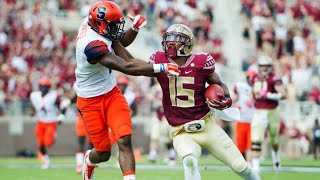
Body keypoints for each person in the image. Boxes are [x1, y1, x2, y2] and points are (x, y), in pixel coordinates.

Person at [74, 1, 180, 180]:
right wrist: (161, 68)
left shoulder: (96, 25)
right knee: (103, 153)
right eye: (113, 25)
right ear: (100, 24)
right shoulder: (90, 44)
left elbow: (123, 48)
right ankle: (89, 160)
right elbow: (127, 66)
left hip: (111, 93)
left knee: (124, 139)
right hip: (89, 100)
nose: (116, 28)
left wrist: (135, 29)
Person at [145, 24, 260, 180]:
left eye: (176, 39)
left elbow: (219, 84)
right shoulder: (159, 60)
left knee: (241, 166)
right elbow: (132, 67)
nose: (171, 43)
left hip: (207, 126)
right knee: (190, 160)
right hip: (180, 130)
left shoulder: (201, 62)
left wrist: (226, 98)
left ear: (187, 43)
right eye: (169, 39)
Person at [249, 55, 287, 172]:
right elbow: (253, 93)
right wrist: (251, 101)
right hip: (259, 111)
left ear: (271, 67)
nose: (264, 68)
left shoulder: (274, 79)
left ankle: (276, 158)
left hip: (272, 112)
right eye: (262, 66)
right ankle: (256, 167)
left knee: (274, 140)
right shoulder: (255, 77)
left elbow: (284, 95)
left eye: (267, 66)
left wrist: (269, 95)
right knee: (256, 139)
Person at [30, 77, 65, 169]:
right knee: (40, 143)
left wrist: (61, 116)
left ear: (49, 87)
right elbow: (33, 106)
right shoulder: (34, 95)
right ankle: (46, 161)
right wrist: (32, 112)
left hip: (51, 122)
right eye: (41, 86)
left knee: (48, 143)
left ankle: (53, 136)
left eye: (45, 86)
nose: (43, 88)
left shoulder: (54, 95)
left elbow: (61, 106)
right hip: (40, 121)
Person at [232, 70, 256, 161]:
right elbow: (234, 98)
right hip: (241, 119)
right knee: (240, 145)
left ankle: (250, 164)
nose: (251, 80)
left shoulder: (259, 88)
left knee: (250, 145)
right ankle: (244, 163)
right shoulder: (241, 87)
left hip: (253, 121)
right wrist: (233, 106)